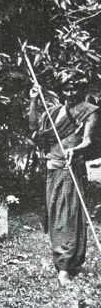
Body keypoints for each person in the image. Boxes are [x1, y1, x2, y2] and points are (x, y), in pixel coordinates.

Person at [29, 68, 99, 286]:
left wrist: (75, 151)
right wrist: (33, 101)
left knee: (68, 216)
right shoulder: (55, 111)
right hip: (53, 168)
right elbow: (34, 128)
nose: (70, 92)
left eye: (75, 87)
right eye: (66, 88)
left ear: (82, 88)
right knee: (56, 216)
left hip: (71, 169)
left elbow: (87, 140)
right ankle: (63, 261)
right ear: (61, 89)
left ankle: (66, 266)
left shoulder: (90, 110)